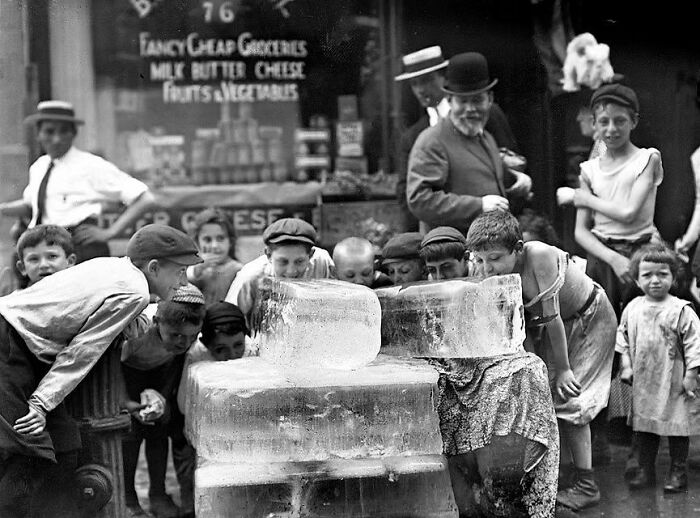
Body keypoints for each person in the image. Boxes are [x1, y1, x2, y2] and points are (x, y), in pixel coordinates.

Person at [0, 223, 201, 518]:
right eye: (180, 271)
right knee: (30, 449)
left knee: (65, 444)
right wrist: (41, 403)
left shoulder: (114, 267)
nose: (183, 281)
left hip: (19, 343)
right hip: (7, 344)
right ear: (155, 267)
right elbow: (83, 350)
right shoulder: (134, 292)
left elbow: (123, 328)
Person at [466, 210, 617, 512]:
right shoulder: (484, 269)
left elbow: (553, 318)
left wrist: (562, 369)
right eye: (480, 260)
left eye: (494, 258)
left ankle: (587, 486)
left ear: (518, 249)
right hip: (551, 329)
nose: (486, 268)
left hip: (590, 318)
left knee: (571, 400)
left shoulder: (540, 256)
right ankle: (559, 472)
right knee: (543, 397)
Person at [556, 83, 664, 318]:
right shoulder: (590, 170)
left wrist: (583, 198)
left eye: (620, 121)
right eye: (604, 121)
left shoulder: (647, 159)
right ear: (594, 124)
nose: (612, 129)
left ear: (634, 121)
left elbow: (629, 213)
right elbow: (581, 232)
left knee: (644, 320)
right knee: (603, 323)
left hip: (641, 252)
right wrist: (613, 258)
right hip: (603, 257)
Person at [0, 101, 156, 262]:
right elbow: (33, 205)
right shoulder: (39, 167)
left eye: (64, 132)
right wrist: (3, 209)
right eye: (49, 131)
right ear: (38, 134)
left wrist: (110, 232)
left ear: (74, 134)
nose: (56, 139)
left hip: (80, 248)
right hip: (47, 248)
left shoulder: (90, 165)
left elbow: (146, 199)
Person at [395, 46, 522, 232]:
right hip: (454, 252)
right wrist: (478, 206)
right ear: (450, 100)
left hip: (490, 248)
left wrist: (517, 182)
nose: (470, 109)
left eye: (477, 100)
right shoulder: (430, 139)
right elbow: (419, 200)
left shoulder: (485, 138)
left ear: (490, 99)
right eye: (463, 101)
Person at [617, 244, 700, 492]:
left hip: (673, 378)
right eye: (647, 275)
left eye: (662, 274)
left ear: (674, 277)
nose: (655, 280)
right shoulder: (633, 308)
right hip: (645, 381)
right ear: (637, 278)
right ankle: (645, 470)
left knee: (676, 427)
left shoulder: (681, 310)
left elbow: (695, 344)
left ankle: (678, 472)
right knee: (646, 429)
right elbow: (623, 339)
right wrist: (626, 366)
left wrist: (691, 375)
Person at [120, 284, 206, 518]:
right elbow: (112, 363)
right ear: (157, 322)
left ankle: (158, 494)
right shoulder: (138, 330)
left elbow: (177, 363)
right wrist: (125, 401)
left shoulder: (184, 342)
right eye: (176, 335)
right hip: (128, 374)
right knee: (130, 436)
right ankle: (128, 499)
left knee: (159, 433)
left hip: (161, 374)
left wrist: (166, 400)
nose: (183, 342)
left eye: (191, 337)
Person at [224, 218, 334, 328]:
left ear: (310, 255)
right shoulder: (251, 276)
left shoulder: (322, 263)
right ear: (268, 254)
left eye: (299, 261)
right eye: (283, 262)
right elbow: (228, 320)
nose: (291, 271)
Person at [187, 207, 243, 306]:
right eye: (207, 240)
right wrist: (198, 268)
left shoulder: (238, 271)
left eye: (220, 238)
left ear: (230, 241)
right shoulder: (195, 271)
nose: (214, 246)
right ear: (197, 242)